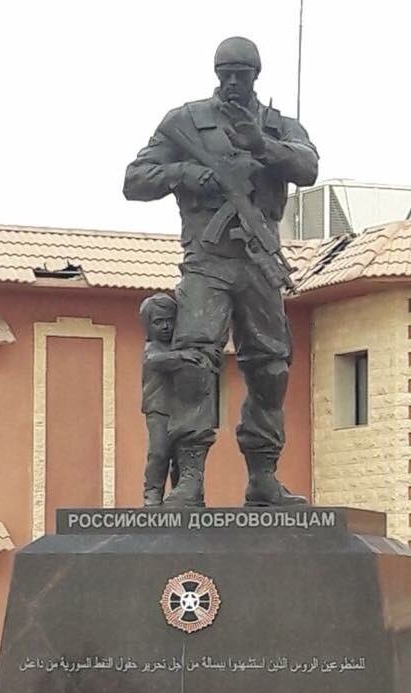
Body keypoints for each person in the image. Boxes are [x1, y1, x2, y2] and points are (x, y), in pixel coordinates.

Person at [125, 37, 319, 507]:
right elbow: (135, 179)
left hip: (258, 259)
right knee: (194, 363)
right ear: (216, 73)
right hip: (207, 262)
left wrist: (263, 145)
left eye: (242, 73)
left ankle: (263, 476)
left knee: (270, 368)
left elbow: (308, 167)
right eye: (225, 72)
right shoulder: (185, 122)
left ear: (257, 74)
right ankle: (189, 478)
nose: (233, 81)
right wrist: (188, 174)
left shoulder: (279, 125)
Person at [140, 293, 212, 506]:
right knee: (159, 452)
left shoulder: (180, 347)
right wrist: (182, 357)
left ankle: (183, 497)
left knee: (181, 457)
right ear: (148, 325)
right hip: (158, 409)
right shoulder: (153, 348)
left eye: (169, 321)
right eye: (158, 322)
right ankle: (152, 494)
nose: (165, 326)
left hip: (181, 410)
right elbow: (156, 361)